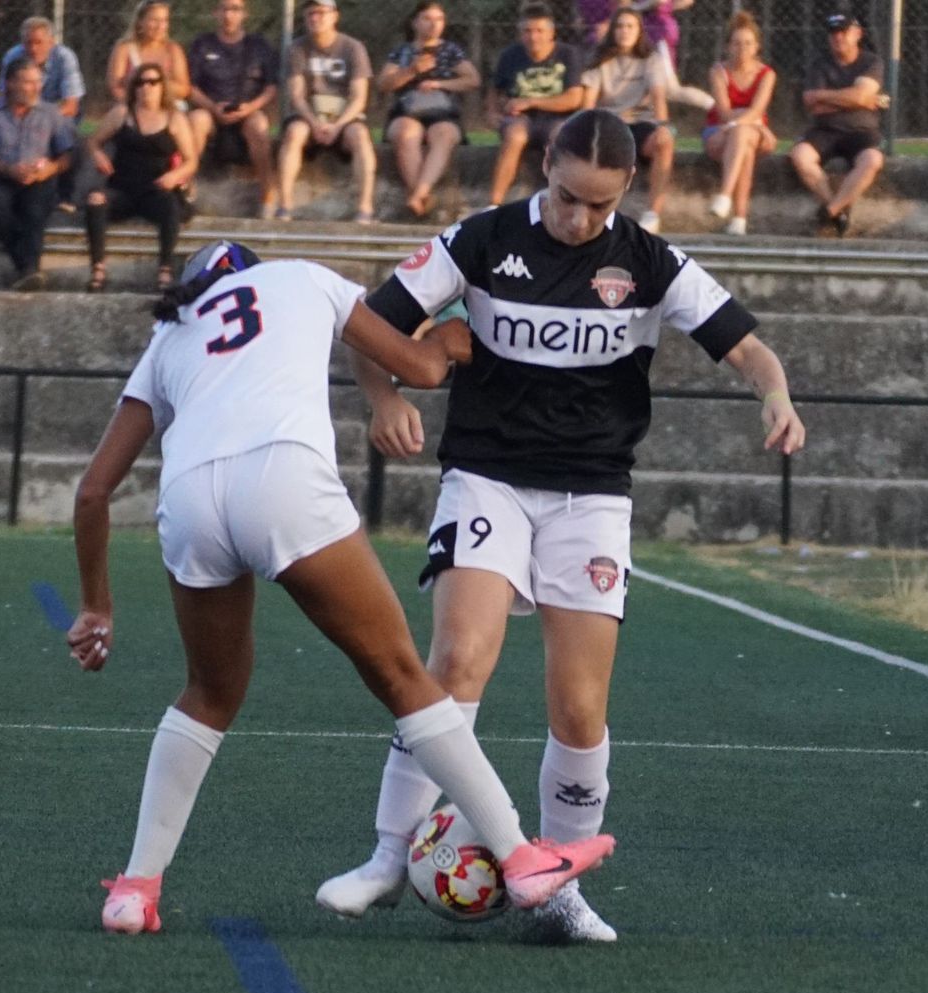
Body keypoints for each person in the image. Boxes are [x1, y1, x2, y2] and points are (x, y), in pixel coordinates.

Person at [315, 109, 806, 943]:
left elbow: (748, 347)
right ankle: (390, 856)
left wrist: (776, 392)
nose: (582, 220)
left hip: (593, 495)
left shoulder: (650, 262)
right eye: (569, 198)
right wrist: (386, 397)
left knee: (580, 710)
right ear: (545, 165)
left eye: (601, 205)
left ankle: (565, 885)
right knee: (457, 660)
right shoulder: (478, 239)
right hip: (487, 479)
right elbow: (370, 323)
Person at [68, 240, 615, 934]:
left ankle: (135, 889)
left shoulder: (171, 330)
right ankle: (520, 856)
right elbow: (413, 366)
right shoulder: (299, 275)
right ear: (253, 269)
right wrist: (448, 340)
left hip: (190, 496)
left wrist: (96, 606)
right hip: (284, 477)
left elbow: (92, 492)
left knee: (209, 693)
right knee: (400, 674)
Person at [0, 56, 78, 291]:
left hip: (39, 179)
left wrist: (50, 169)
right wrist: (8, 169)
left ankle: (27, 270)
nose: (36, 87)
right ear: (10, 83)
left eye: (38, 81)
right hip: (1, 177)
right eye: (28, 82)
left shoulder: (51, 113)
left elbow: (68, 155)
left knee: (35, 209)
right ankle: (29, 269)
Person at [84, 64, 197, 293]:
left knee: (170, 206)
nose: (146, 88)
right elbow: (93, 141)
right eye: (140, 82)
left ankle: (165, 268)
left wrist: (174, 176)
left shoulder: (174, 118)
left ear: (162, 86)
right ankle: (98, 268)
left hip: (156, 189)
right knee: (95, 201)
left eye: (153, 82)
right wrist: (98, 155)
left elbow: (191, 161)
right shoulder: (122, 114)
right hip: (123, 187)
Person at [377, 0, 480, 219]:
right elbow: (384, 84)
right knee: (406, 133)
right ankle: (422, 196)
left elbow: (472, 80)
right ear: (415, 22)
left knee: (443, 134)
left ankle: (418, 195)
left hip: (443, 111)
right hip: (407, 111)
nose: (434, 24)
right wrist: (412, 71)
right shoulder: (402, 51)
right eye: (427, 19)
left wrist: (440, 84)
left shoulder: (450, 50)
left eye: (439, 19)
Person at [275, 0, 377, 223]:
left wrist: (338, 125)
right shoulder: (297, 48)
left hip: (344, 117)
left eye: (321, 12)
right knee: (294, 133)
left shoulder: (353, 48)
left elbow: (359, 98)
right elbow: (297, 95)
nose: (315, 18)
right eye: (310, 13)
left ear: (334, 16)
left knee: (360, 136)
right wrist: (314, 122)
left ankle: (365, 207)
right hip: (309, 115)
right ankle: (284, 206)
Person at [790, 10, 886, 238]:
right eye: (833, 33)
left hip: (861, 131)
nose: (838, 37)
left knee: (872, 160)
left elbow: (861, 95)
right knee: (800, 156)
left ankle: (830, 211)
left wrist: (826, 96)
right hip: (825, 129)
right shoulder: (819, 64)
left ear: (857, 34)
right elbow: (813, 105)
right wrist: (857, 100)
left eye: (843, 32)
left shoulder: (871, 62)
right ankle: (839, 212)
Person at [581, 8, 672, 233]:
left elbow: (659, 97)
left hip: (641, 123)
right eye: (620, 26)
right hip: (609, 123)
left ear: (639, 31)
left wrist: (663, 126)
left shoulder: (651, 59)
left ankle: (653, 213)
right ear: (613, 30)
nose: (624, 31)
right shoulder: (598, 59)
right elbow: (588, 103)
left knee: (664, 141)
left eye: (630, 26)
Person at [185, 0, 279, 219]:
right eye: (224, 9)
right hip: (210, 111)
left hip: (247, 111)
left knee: (259, 125)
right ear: (215, 12)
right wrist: (211, 107)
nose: (229, 15)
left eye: (235, 9)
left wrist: (249, 108)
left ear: (244, 14)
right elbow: (190, 87)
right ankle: (187, 188)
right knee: (196, 120)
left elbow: (271, 88)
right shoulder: (202, 44)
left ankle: (268, 195)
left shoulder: (259, 46)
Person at [485, 4, 584, 211]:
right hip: (520, 118)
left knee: (560, 137)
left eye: (539, 31)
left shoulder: (568, 55)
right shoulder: (510, 56)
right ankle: (494, 204)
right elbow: (494, 90)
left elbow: (574, 98)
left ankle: (561, 202)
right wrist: (493, 113)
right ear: (520, 33)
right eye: (527, 31)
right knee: (515, 135)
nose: (533, 37)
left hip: (558, 117)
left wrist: (531, 101)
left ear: (551, 32)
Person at [0, 17, 87, 212]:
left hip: (58, 113)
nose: (33, 48)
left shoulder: (65, 57)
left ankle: (66, 196)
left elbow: (71, 104)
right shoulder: (12, 57)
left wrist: (42, 119)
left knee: (69, 136)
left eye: (39, 42)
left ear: (51, 42)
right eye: (28, 42)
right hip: (21, 112)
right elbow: (4, 97)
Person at [704, 11, 776, 237]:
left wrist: (738, 123)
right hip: (720, 132)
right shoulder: (718, 71)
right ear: (727, 46)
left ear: (757, 47)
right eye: (736, 43)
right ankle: (739, 219)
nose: (742, 48)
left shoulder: (766, 74)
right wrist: (742, 123)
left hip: (751, 133)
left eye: (748, 43)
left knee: (743, 134)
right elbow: (724, 112)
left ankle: (725, 195)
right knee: (743, 142)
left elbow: (758, 109)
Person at [625, 0, 714, 112]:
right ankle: (646, 120)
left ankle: (714, 106)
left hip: (659, 34)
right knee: (646, 87)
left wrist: (665, 6)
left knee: (672, 90)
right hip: (643, 35)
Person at [107, 1, 191, 107]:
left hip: (168, 107)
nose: (160, 26)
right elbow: (115, 87)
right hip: (132, 106)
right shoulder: (124, 48)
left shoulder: (173, 50)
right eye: (154, 20)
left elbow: (184, 89)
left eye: (164, 20)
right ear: (140, 22)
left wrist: (154, 85)